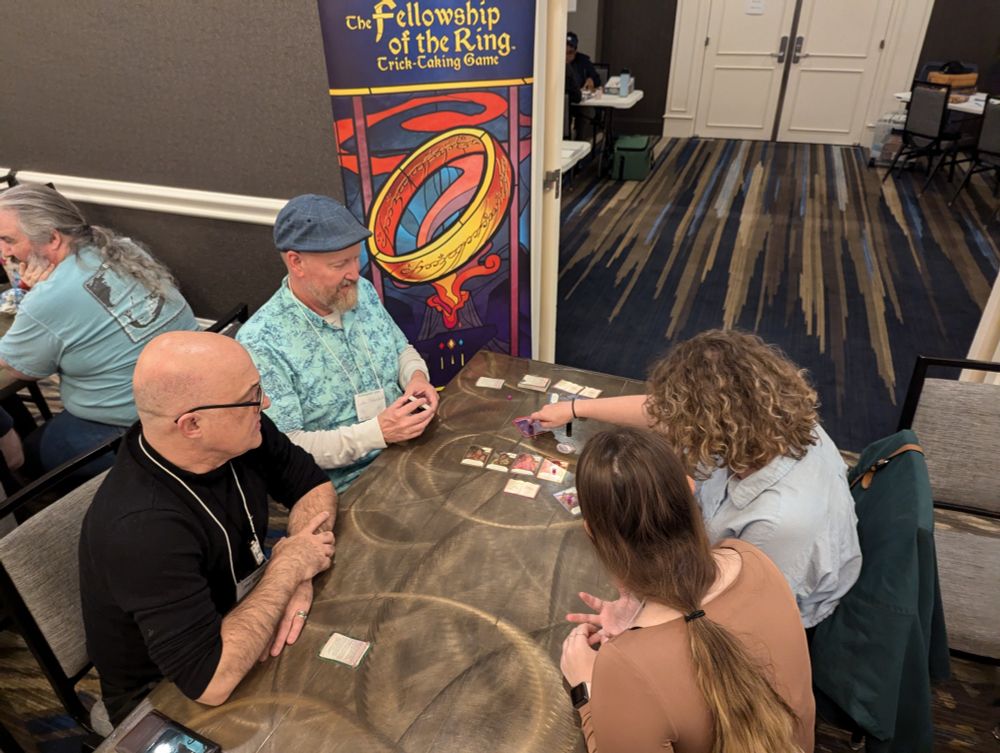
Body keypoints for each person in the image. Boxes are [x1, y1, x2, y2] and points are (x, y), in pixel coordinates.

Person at [79, 332, 337, 724]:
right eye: (252, 395)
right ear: (192, 425)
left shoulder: (241, 431)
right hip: (169, 695)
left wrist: (299, 575)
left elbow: (312, 485)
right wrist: (287, 570)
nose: (264, 403)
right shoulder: (142, 529)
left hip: (246, 621)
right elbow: (210, 682)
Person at [533, 329, 860, 629]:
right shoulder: (769, 419)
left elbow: (736, 613)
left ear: (712, 427)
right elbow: (665, 412)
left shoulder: (778, 522)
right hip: (729, 555)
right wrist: (575, 408)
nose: (669, 424)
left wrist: (635, 624)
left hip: (763, 611)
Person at [559, 427, 815, 753]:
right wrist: (639, 615)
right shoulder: (751, 559)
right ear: (689, 489)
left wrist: (585, 688)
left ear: (591, 532)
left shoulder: (625, 670)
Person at [237, 194, 438, 493]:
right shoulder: (262, 342)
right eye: (339, 264)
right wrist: (378, 432)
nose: (354, 273)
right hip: (345, 484)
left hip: (408, 447)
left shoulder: (361, 291)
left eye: (356, 258)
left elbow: (401, 348)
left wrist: (416, 378)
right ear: (296, 262)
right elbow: (288, 446)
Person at [0, 183, 199, 473]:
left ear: (53, 239)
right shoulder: (121, 249)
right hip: (193, 389)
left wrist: (35, 295)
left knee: (23, 460)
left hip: (134, 427)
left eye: (8, 240)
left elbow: (22, 369)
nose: (5, 252)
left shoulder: (48, 298)